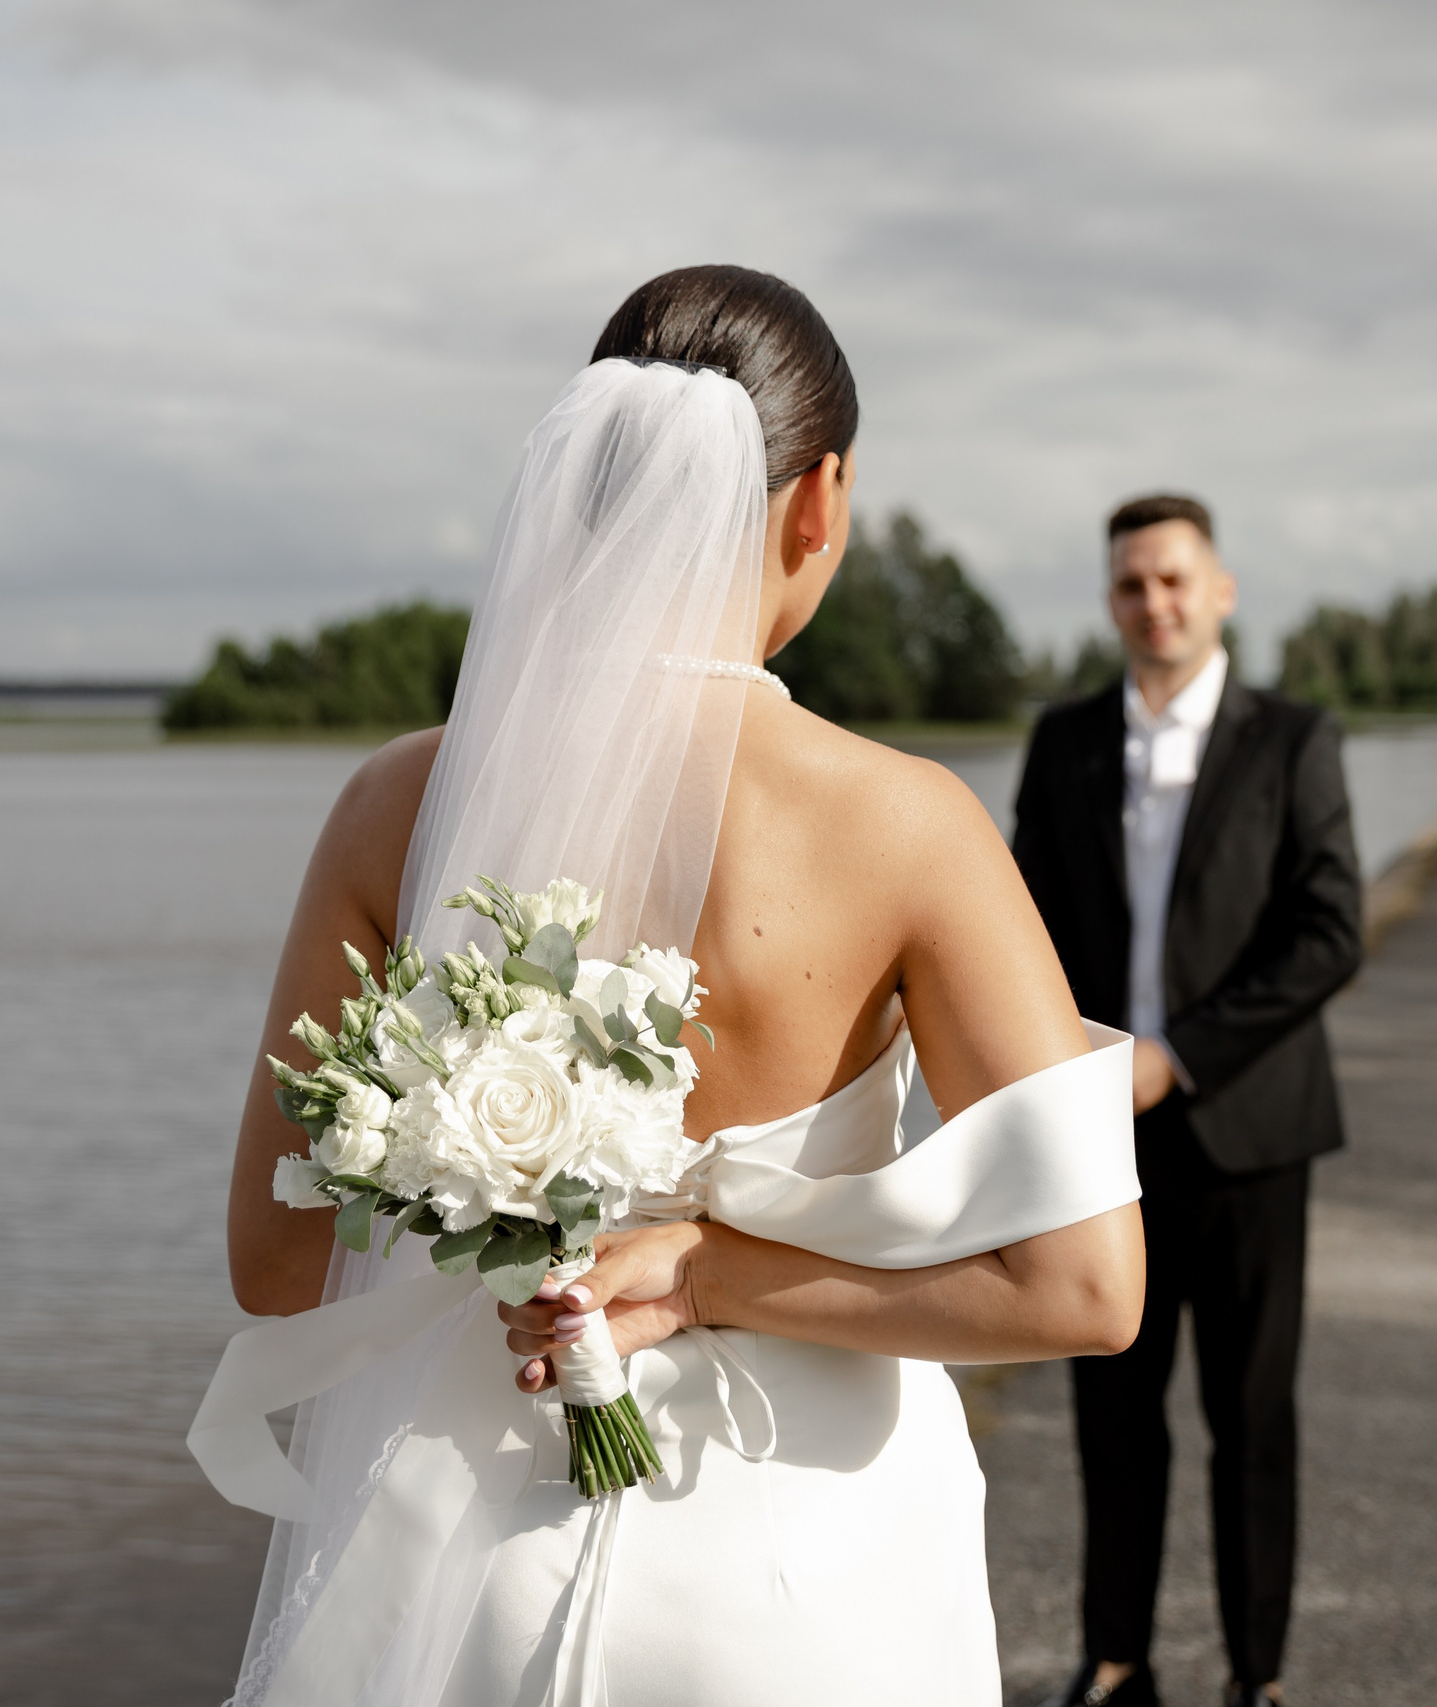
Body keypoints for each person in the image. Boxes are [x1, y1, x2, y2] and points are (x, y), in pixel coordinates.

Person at [202, 267, 1147, 1706]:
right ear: (819, 501)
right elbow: (1085, 1287)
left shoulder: (401, 803)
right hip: (802, 1571)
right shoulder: (907, 823)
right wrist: (706, 1270)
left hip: (466, 1559)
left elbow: (277, 1271)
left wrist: (490, 1203)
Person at [1012, 495, 1364, 1707]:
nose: (1151, 604)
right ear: (1110, 602)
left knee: (1251, 1420)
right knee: (1111, 1413)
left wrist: (1180, 1054)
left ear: (1218, 590)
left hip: (1253, 1132)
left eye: (1172, 580)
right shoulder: (1060, 743)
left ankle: (1256, 1680)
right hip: (1099, 1138)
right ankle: (1116, 1661)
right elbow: (1018, 934)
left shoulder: (1294, 739)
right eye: (1129, 585)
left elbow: (1330, 934)